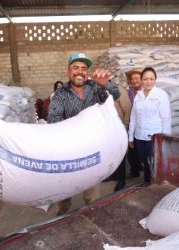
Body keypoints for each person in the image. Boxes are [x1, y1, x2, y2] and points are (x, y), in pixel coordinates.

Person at [48, 52, 120, 215]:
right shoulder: (59, 95)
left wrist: (104, 84)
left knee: (92, 195)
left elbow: (115, 94)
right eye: (75, 68)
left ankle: (93, 216)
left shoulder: (95, 87)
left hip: (92, 151)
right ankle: (63, 214)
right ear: (68, 71)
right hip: (68, 152)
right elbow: (53, 122)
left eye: (83, 68)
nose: (80, 72)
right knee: (64, 195)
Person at [128, 67, 171, 184]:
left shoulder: (161, 95)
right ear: (141, 80)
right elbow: (133, 117)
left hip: (153, 137)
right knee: (143, 161)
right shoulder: (138, 95)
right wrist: (130, 136)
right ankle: (147, 182)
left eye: (151, 79)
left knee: (152, 162)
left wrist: (165, 140)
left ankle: (153, 184)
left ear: (155, 80)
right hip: (139, 136)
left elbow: (166, 119)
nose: (148, 82)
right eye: (146, 79)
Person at [111, 85, 132, 191]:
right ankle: (113, 175)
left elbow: (127, 109)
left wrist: (125, 126)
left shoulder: (117, 89)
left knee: (120, 154)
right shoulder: (97, 90)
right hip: (107, 130)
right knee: (111, 154)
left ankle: (121, 180)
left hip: (119, 128)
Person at [125, 68, 142, 178]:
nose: (134, 81)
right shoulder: (129, 93)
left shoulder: (145, 91)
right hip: (131, 124)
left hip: (142, 124)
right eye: (132, 79)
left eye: (137, 78)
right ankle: (134, 170)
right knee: (131, 149)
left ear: (141, 79)